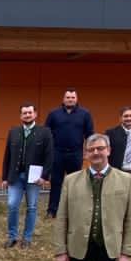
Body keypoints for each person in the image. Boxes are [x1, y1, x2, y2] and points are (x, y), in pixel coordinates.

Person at [1, 102, 53, 250]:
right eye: (24, 113)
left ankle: (27, 238)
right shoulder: (13, 132)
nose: (27, 115)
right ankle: (12, 236)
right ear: (21, 116)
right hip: (15, 176)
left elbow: (49, 156)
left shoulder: (45, 132)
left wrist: (45, 176)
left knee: (32, 207)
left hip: (34, 178)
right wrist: (4, 177)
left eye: (30, 112)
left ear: (35, 114)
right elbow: (7, 156)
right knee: (12, 205)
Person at [45, 88, 94, 218]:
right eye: (68, 97)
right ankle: (52, 210)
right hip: (57, 153)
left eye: (72, 97)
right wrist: (48, 152)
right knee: (56, 182)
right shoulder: (54, 114)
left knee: (75, 183)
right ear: (63, 99)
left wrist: (88, 151)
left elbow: (90, 134)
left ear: (76, 99)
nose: (70, 100)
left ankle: (73, 210)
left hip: (75, 154)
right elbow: (47, 133)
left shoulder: (85, 114)